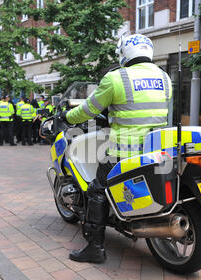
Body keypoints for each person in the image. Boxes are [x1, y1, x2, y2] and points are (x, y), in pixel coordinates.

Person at [63, 34, 172, 263]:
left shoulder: (116, 78)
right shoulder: (164, 77)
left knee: (96, 190)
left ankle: (95, 248)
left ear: (124, 53)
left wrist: (67, 116)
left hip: (124, 150)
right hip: (155, 149)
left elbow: (89, 109)